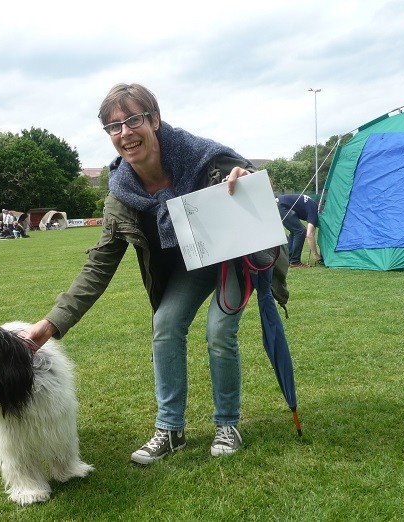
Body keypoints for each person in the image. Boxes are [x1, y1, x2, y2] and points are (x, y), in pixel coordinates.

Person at [22, 83, 256, 465]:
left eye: (133, 120)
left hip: (232, 255)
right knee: (165, 323)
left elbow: (245, 177)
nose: (125, 133)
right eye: (114, 126)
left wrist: (242, 178)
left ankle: (227, 424)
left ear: (155, 120)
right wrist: (48, 326)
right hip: (190, 264)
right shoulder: (121, 193)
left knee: (219, 330)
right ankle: (170, 430)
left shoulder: (198, 156)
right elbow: (99, 265)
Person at [276, 194, 322, 268]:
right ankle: (295, 261)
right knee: (300, 231)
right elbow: (309, 235)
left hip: (278, 203)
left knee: (295, 231)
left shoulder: (311, 204)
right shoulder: (314, 212)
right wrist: (315, 254)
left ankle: (288, 259)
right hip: (282, 206)